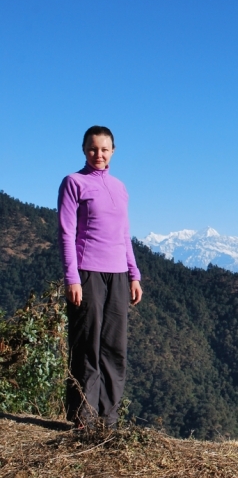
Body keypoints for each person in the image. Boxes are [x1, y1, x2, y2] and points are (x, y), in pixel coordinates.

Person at [57, 125, 143, 429]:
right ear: (84, 149)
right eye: (93, 149)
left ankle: (109, 419)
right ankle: (84, 419)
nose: (99, 155)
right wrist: (72, 277)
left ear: (113, 152)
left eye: (105, 149)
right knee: (86, 346)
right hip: (87, 272)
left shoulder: (120, 187)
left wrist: (134, 274)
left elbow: (124, 234)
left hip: (118, 274)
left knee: (114, 348)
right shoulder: (74, 183)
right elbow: (67, 232)